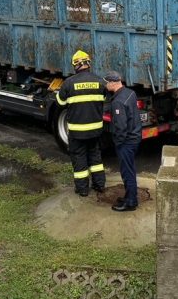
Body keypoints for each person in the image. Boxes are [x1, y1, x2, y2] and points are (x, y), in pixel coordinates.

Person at [56, 50, 107, 197]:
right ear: (88, 63)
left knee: (79, 159)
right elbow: (103, 100)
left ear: (75, 65)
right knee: (95, 158)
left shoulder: (68, 83)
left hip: (77, 132)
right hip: (95, 130)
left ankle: (83, 189)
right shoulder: (100, 82)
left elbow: (60, 103)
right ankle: (99, 185)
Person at [104, 71, 140, 212]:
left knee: (127, 172)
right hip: (135, 137)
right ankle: (129, 196)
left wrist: (118, 144)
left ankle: (131, 202)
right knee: (130, 169)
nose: (106, 85)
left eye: (106, 82)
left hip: (127, 142)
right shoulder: (130, 93)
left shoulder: (118, 102)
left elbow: (121, 127)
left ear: (113, 83)